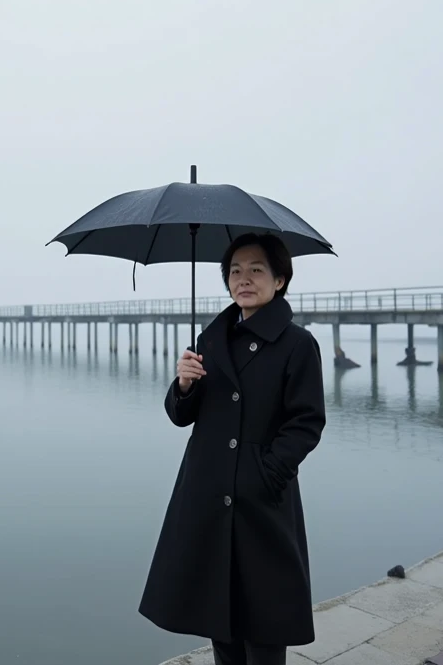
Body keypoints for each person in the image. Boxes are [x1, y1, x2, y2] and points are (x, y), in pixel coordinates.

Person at [138, 232, 327, 665]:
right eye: (235, 271)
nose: (244, 279)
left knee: (263, 626)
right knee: (218, 620)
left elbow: (306, 422)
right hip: (207, 495)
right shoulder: (210, 340)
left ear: (279, 280)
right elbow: (181, 415)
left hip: (261, 500)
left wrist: (267, 473)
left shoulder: (297, 344)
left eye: (256, 270)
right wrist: (184, 383)